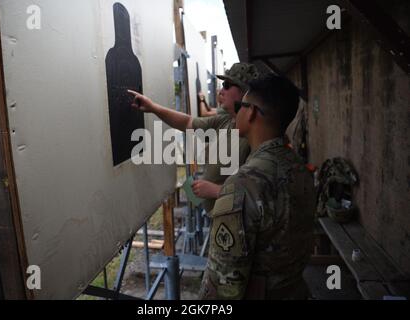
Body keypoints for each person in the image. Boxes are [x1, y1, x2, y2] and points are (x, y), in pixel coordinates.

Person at [199, 73, 316, 300]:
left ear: (251, 112)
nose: (237, 111)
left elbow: (224, 287)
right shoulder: (299, 168)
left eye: (242, 105)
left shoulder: (243, 184)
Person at [128, 63, 259, 213]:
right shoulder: (226, 121)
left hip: (238, 223)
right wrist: (153, 108)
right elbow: (187, 122)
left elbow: (258, 193)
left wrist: (217, 191)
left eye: (227, 85)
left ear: (245, 93)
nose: (221, 90)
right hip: (220, 219)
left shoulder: (254, 134)